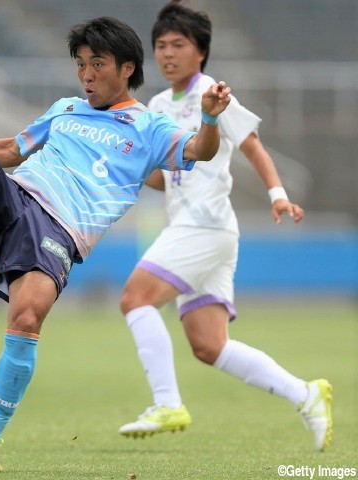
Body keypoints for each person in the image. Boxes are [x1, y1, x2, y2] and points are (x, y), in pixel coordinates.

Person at [0, 16, 232, 473]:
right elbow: (10, 150)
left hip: (61, 229)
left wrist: (208, 117)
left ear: (127, 68)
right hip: (19, 195)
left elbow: (201, 150)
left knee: (26, 318)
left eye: (96, 63)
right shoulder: (65, 108)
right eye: (80, 63)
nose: (85, 74)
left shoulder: (151, 127)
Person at [117, 0, 332, 452]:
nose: (168, 53)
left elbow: (253, 147)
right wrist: (131, 169)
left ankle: (166, 402)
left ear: (201, 51)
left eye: (178, 44)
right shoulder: (156, 104)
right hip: (202, 231)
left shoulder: (213, 94)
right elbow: (166, 177)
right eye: (161, 45)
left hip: (204, 225)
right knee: (209, 345)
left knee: (136, 298)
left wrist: (277, 195)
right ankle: (305, 394)